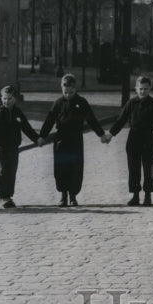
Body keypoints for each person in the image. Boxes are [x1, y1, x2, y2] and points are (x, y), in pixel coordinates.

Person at [38, 74, 108, 207]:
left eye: (71, 92)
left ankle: (73, 196)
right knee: (60, 168)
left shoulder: (82, 102)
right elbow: (49, 120)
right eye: (65, 92)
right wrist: (42, 136)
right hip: (61, 140)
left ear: (75, 89)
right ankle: (63, 196)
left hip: (75, 139)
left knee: (75, 167)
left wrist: (101, 135)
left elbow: (91, 119)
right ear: (61, 89)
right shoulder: (58, 103)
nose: (68, 94)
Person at [109, 75, 153, 206]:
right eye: (140, 89)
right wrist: (111, 134)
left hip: (149, 137)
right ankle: (135, 195)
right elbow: (121, 120)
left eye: (146, 89)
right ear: (136, 89)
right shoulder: (131, 103)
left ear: (150, 89)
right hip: (134, 137)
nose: (143, 91)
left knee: (148, 167)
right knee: (133, 167)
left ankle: (148, 195)